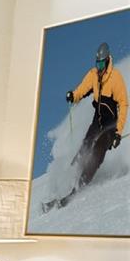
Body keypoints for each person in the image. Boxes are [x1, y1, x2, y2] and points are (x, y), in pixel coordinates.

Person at [48, 42, 126, 210]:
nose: (98, 67)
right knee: (85, 146)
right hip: (97, 122)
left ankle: (81, 183)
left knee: (97, 150)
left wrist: (118, 133)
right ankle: (66, 180)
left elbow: (124, 104)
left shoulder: (115, 78)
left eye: (101, 63)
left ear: (107, 61)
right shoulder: (92, 75)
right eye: (96, 63)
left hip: (111, 125)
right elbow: (82, 90)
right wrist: (73, 96)